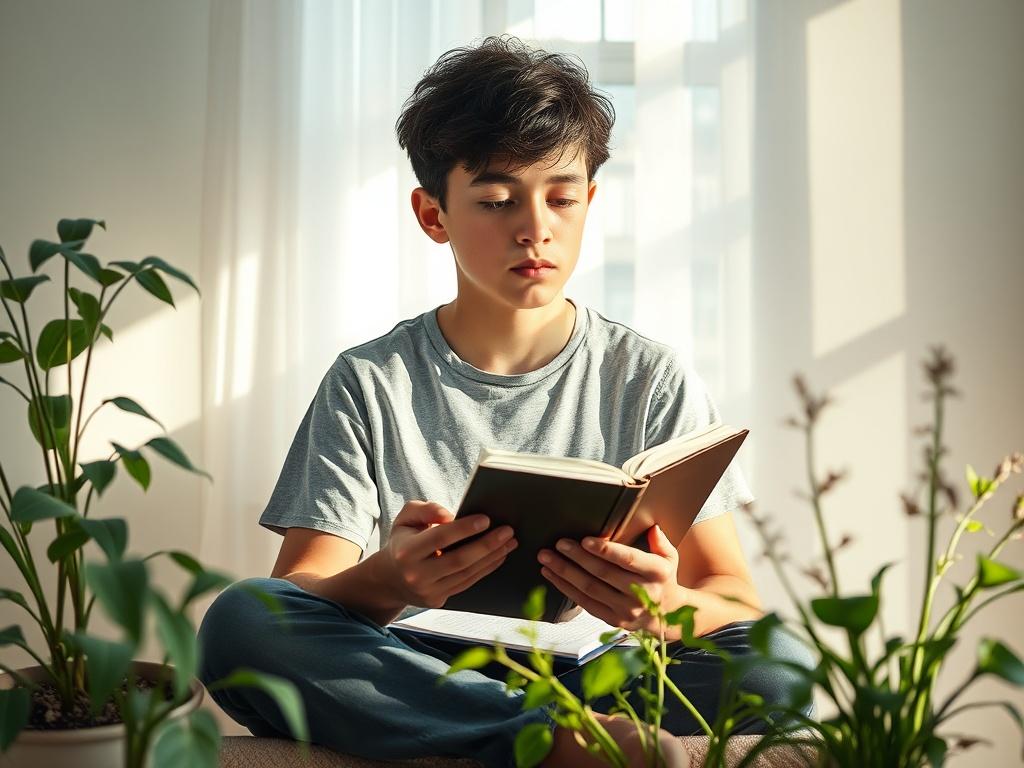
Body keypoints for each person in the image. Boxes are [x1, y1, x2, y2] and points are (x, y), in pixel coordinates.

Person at [198, 35, 813, 768]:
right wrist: (392, 578)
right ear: (434, 215)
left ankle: (526, 733)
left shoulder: (651, 377)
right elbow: (299, 587)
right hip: (419, 662)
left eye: (561, 197)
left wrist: (665, 606)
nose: (536, 229)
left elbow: (733, 600)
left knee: (782, 666)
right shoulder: (369, 380)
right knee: (240, 622)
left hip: (596, 668)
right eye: (495, 200)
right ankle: (548, 740)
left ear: (591, 201)